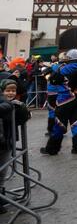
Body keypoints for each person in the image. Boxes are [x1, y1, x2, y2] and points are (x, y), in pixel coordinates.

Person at [39, 49, 77, 155]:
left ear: (68, 58)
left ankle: (52, 149)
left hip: (65, 100)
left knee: (59, 124)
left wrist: (49, 72)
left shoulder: (64, 68)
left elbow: (53, 80)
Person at [0, 79, 30, 212]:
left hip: (6, 142)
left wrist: (20, 107)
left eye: (13, 91)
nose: (11, 93)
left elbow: (23, 118)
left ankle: (1, 194)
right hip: (3, 141)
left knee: (2, 171)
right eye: (8, 90)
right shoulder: (4, 103)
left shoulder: (14, 104)